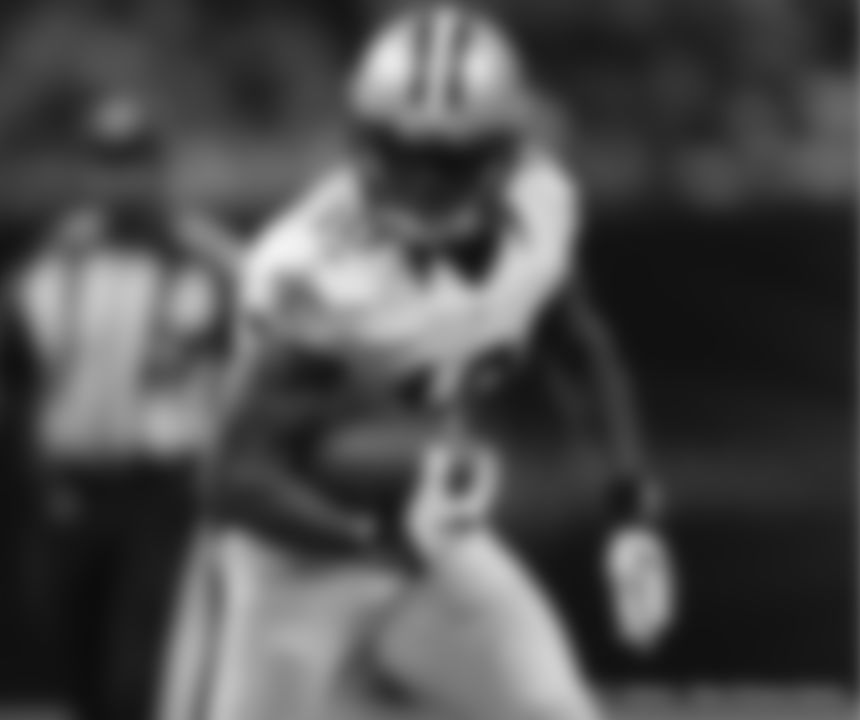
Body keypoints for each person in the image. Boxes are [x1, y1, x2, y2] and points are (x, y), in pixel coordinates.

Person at [157, 6, 664, 720]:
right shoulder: (319, 274)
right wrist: (382, 539)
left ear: (505, 153)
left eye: (448, 160)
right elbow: (232, 478)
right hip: (295, 567)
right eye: (398, 152)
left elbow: (578, 347)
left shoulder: (540, 207)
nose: (419, 185)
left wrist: (629, 513)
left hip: (428, 546)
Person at [0, 95, 240, 720]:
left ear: (159, 168)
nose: (121, 179)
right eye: (107, 161)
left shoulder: (211, 264)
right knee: (80, 671)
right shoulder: (52, 264)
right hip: (70, 492)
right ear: (86, 170)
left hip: (165, 493)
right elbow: (8, 379)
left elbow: (258, 374)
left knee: (137, 675)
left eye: (134, 161)